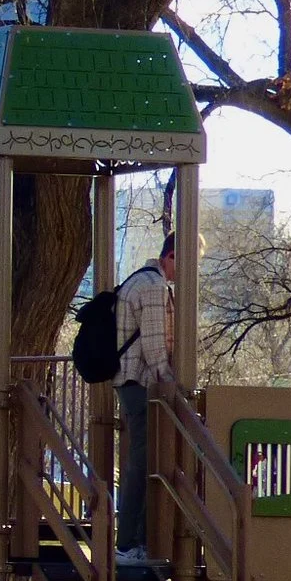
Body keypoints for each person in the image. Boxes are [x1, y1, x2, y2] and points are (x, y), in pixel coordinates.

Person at [114, 232, 177, 561]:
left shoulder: (141, 280)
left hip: (134, 384)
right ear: (171, 256)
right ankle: (127, 544)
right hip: (141, 385)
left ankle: (136, 542)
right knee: (142, 463)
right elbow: (154, 348)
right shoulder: (153, 287)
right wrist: (171, 385)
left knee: (146, 460)